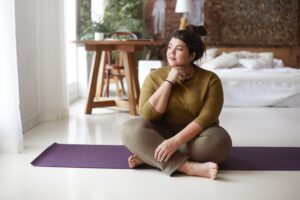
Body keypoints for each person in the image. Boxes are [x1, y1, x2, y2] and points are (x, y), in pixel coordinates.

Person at [121, 25, 232, 179]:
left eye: (178, 49)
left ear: (192, 55)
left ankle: (151, 156)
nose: (171, 53)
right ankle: (188, 167)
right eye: (170, 47)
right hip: (161, 132)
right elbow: (147, 115)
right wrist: (168, 82)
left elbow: (207, 118)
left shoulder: (210, 80)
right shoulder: (154, 77)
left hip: (194, 137)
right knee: (129, 128)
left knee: (220, 142)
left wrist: (174, 143)